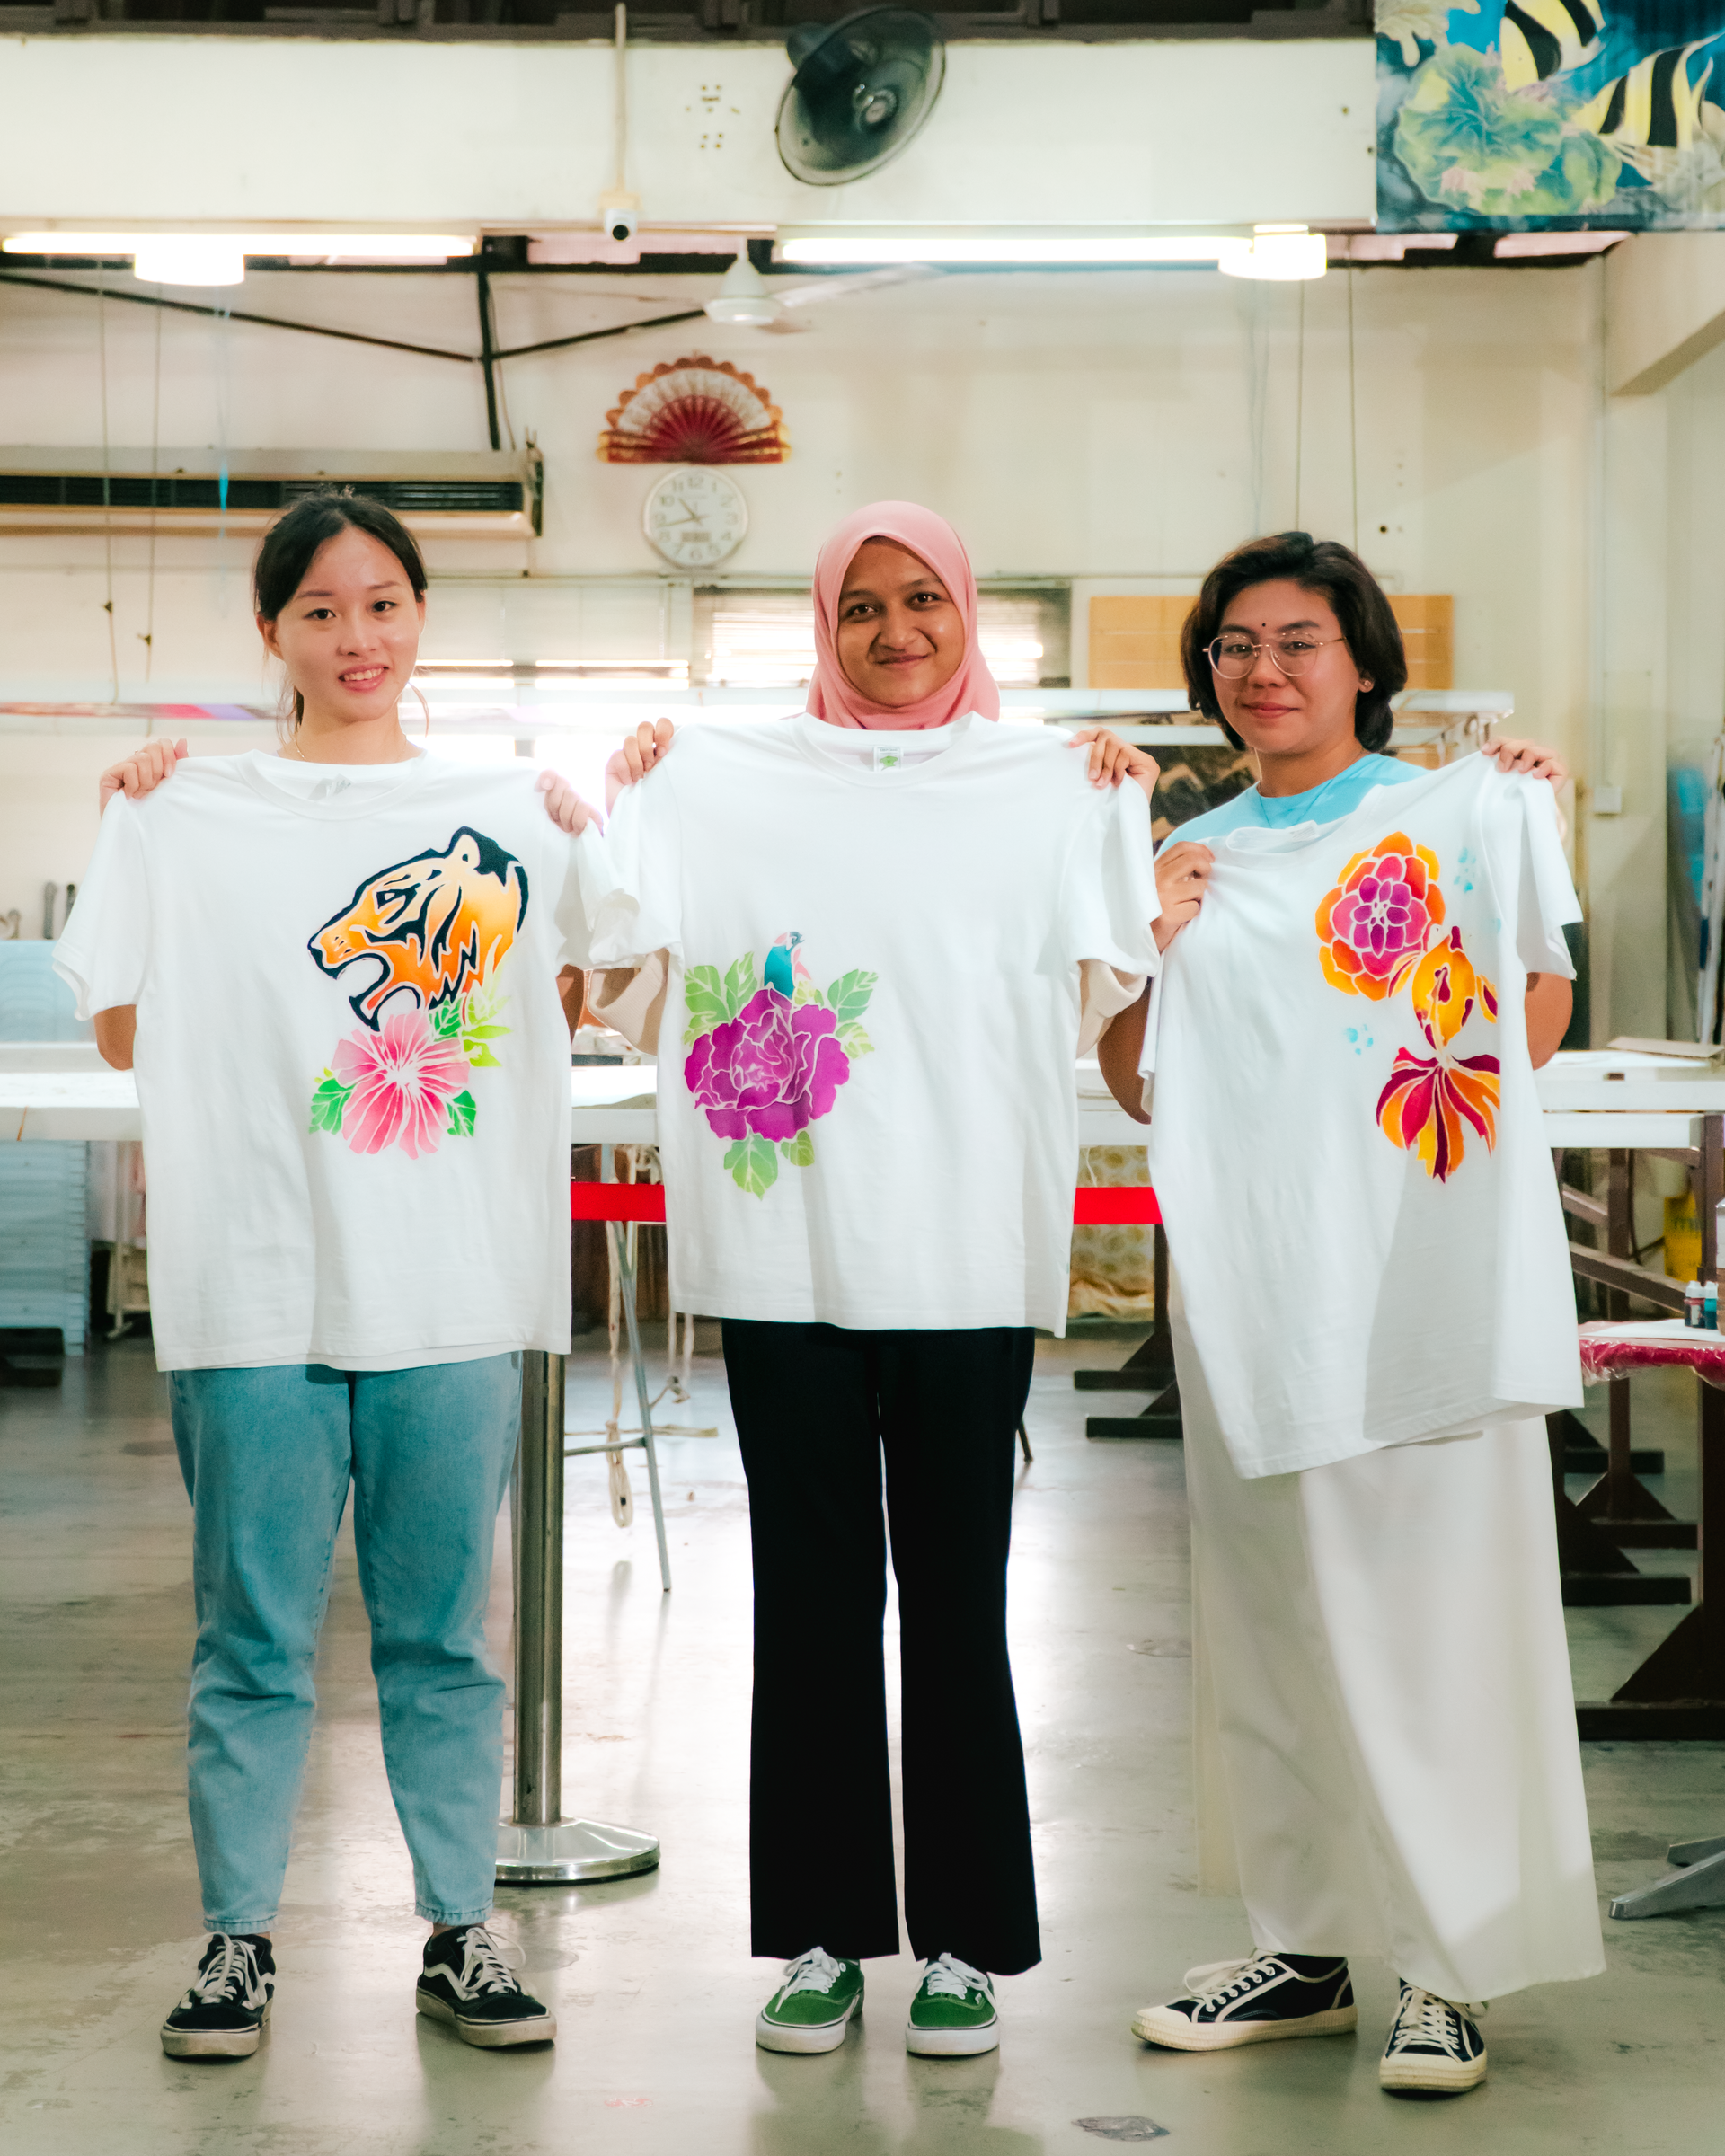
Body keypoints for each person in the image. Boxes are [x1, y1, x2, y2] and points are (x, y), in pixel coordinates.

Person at [582, 501, 1163, 2061]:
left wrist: (1110, 796)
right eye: (861, 608)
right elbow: (609, 954)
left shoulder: (1054, 786)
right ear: (821, 629)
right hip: (785, 1266)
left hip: (967, 1259)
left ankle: (968, 1942)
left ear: (968, 615)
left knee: (961, 1603)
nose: (896, 631)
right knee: (814, 1603)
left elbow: (1124, 977)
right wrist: (638, 786)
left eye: (924, 602)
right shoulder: (717, 781)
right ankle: (826, 1936)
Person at [61, 492, 613, 2062]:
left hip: (449, 1288)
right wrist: (145, 825)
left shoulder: (506, 812)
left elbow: (609, 964)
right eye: (319, 610)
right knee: (252, 1634)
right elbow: (121, 1024)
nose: (355, 636)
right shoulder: (182, 809)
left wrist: (588, 820)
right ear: (272, 635)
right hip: (254, 1291)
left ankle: (462, 1931)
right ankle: (238, 1940)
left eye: (382, 604)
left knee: (445, 1632)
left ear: (421, 618)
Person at [1097, 531, 1601, 2100]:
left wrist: (1517, 814)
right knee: (1267, 1617)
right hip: (1260, 1289)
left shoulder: (1448, 811)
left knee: (1437, 1610)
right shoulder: (1198, 856)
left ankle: (1451, 1967)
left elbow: (1533, 1003)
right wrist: (1149, 940)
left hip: (1415, 1278)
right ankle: (1303, 1944)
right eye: (1236, 645)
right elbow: (1136, 1080)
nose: (1265, 670)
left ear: (1365, 663)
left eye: (1299, 640)